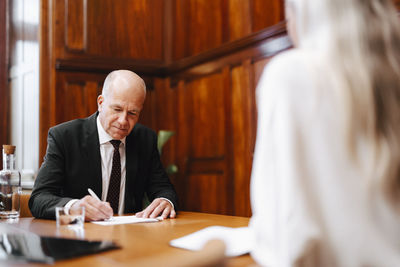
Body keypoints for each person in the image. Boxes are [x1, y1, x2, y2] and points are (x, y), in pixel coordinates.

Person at [249, 0, 400, 266]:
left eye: (290, 15)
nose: (290, 26)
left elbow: (284, 239)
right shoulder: (392, 75)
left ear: (306, 14)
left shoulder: (289, 75)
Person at [29, 70, 178, 221]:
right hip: (79, 236)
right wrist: (73, 207)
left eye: (132, 113)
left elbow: (162, 187)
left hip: (130, 234)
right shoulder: (65, 137)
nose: (123, 121)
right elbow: (39, 198)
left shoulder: (145, 139)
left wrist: (165, 201)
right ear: (100, 103)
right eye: (117, 109)